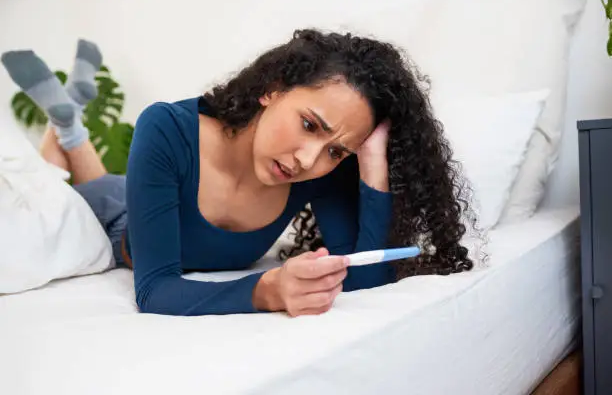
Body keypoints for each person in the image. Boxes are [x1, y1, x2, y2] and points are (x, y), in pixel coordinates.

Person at [1, 30, 476, 317]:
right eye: (309, 125)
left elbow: (362, 279)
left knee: (71, 179)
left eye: (335, 150)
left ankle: (66, 122)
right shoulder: (167, 127)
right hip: (112, 217)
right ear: (272, 89)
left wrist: (370, 160)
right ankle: (66, 126)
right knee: (57, 189)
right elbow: (155, 288)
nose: (308, 160)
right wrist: (266, 290)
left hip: (137, 201)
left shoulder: (322, 170)